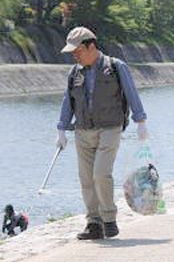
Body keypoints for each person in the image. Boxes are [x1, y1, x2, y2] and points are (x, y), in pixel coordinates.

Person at [56, 27, 148, 240]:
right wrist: (61, 128)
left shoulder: (116, 67)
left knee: (101, 173)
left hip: (110, 129)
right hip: (82, 131)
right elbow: (67, 101)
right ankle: (93, 223)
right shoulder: (75, 72)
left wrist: (141, 121)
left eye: (77, 51)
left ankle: (109, 219)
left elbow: (131, 93)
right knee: (86, 179)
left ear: (91, 46)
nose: (74, 55)